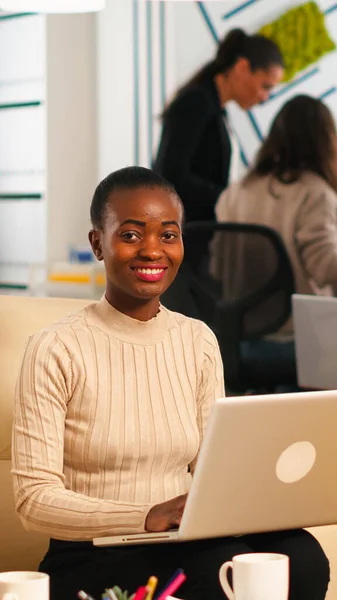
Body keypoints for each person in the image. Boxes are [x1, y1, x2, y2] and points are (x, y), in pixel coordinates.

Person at [12, 167, 329, 600]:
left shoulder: (197, 340)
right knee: (223, 569)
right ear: (97, 244)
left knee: (303, 557)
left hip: (183, 538)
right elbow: (33, 499)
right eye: (130, 235)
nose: (152, 250)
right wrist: (145, 516)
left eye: (168, 235)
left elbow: (213, 471)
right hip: (90, 556)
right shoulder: (55, 348)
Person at [213, 94, 337, 384]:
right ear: (326, 141)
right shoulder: (314, 193)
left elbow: (216, 270)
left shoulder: (236, 191)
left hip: (236, 339)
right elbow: (325, 268)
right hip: (297, 341)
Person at [153, 28, 284, 273]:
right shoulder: (197, 103)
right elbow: (171, 175)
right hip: (185, 242)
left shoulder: (215, 109)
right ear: (243, 68)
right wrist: (229, 199)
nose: (265, 97)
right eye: (265, 86)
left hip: (197, 240)